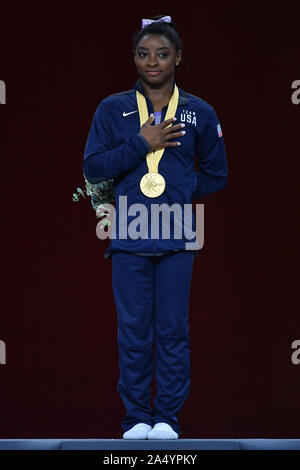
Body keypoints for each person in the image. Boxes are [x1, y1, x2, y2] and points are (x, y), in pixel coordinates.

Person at [82, 15, 228, 440]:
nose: (153, 62)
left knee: (172, 329)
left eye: (162, 54)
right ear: (134, 58)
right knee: (132, 331)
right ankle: (135, 420)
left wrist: (175, 193)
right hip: (128, 234)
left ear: (178, 58)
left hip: (177, 234)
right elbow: (93, 168)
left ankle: (166, 419)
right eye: (144, 54)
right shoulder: (112, 109)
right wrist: (141, 144)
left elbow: (217, 175)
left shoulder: (199, 112)